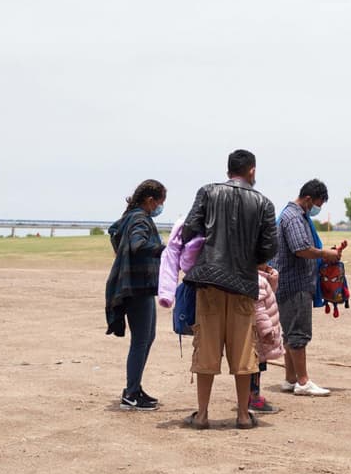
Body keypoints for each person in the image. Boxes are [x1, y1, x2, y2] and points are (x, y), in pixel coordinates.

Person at [179, 149, 277, 430]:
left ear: (228, 171)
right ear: (252, 171)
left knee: (207, 348)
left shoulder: (207, 192)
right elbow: (269, 247)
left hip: (209, 281)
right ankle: (244, 415)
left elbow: (190, 230)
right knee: (245, 351)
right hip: (243, 284)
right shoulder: (263, 202)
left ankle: (202, 414)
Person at [272, 179, 345, 397]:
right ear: (308, 199)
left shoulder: (292, 214)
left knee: (289, 332)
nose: (317, 209)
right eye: (318, 204)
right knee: (298, 333)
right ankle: (303, 381)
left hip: (287, 282)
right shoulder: (294, 218)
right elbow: (301, 249)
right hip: (295, 284)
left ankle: (290, 378)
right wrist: (326, 254)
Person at [105, 180, 167, 411]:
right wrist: (163, 249)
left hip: (136, 286)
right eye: (160, 202)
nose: (160, 207)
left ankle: (135, 387)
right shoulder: (140, 219)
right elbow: (137, 245)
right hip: (136, 288)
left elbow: (115, 233)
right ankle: (131, 393)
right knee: (141, 340)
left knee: (146, 338)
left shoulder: (130, 217)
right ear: (150, 200)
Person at [248, 266, 284, 414]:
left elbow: (269, 295)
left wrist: (272, 279)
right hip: (259, 336)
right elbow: (259, 309)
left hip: (259, 334)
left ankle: (250, 397)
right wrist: (267, 331)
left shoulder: (261, 278)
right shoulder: (256, 280)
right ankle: (253, 399)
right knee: (255, 367)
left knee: (256, 366)